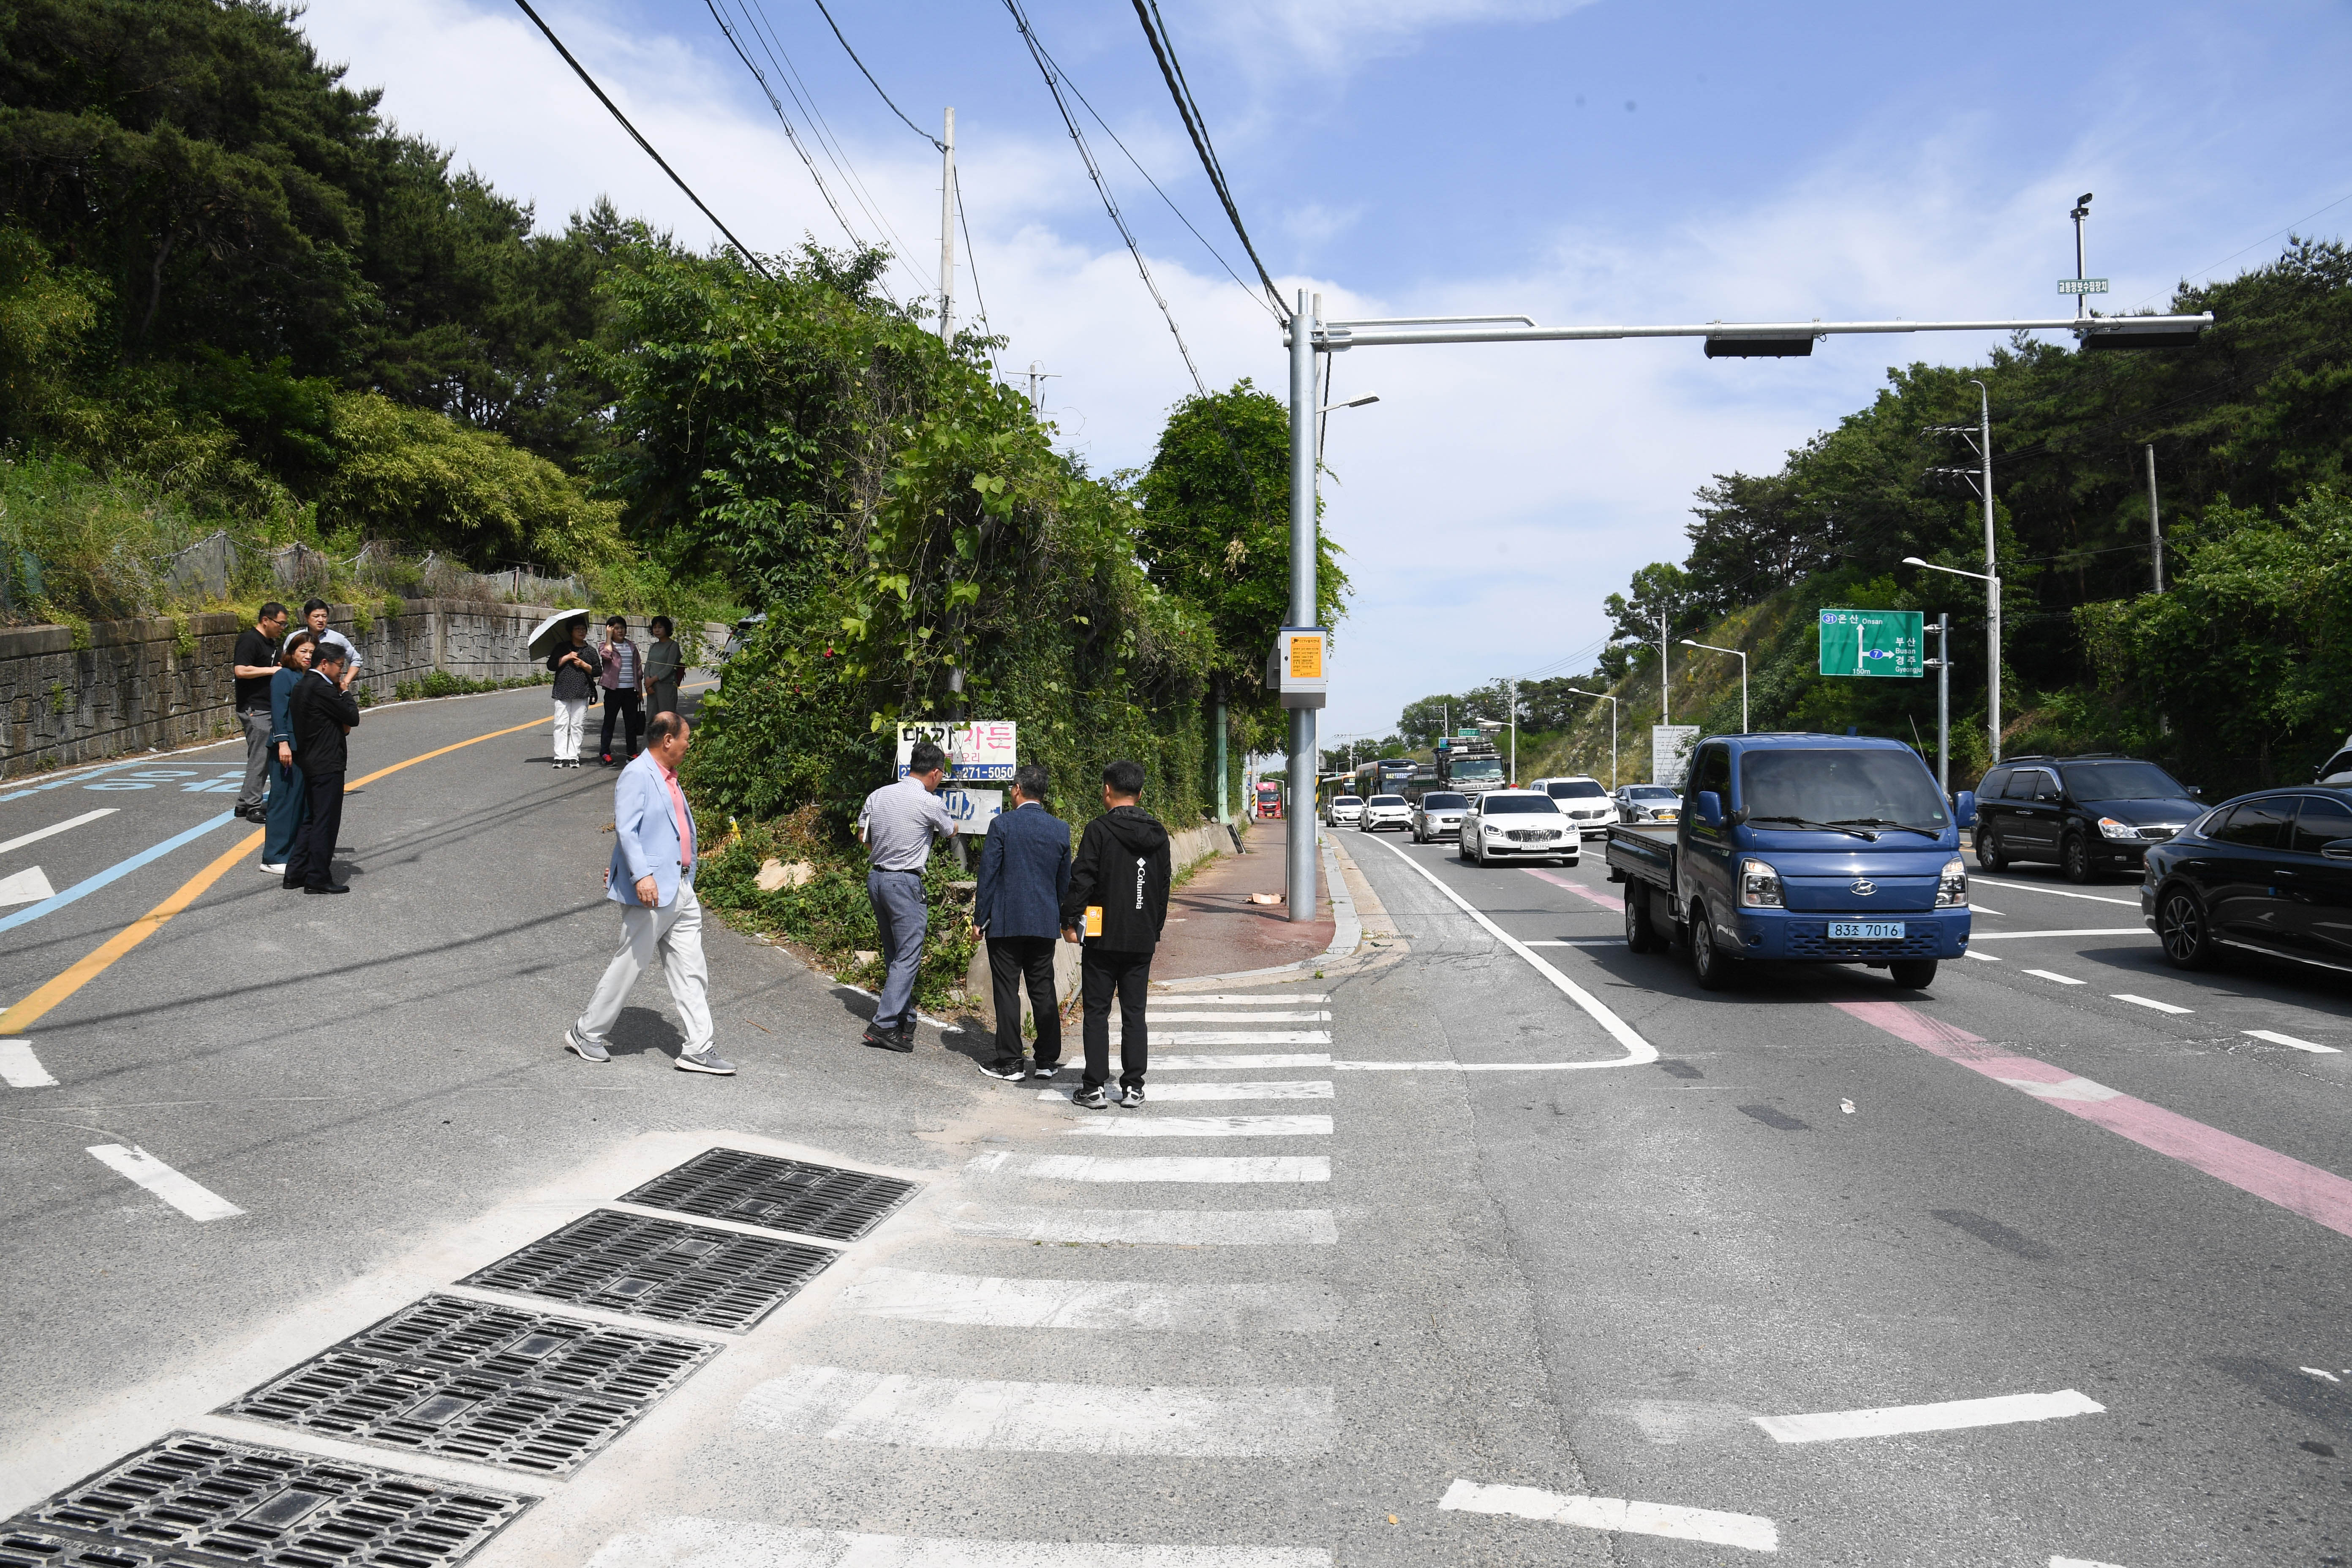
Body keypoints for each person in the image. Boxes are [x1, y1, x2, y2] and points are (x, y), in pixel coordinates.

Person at [566, 712, 735, 1075]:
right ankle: (586, 1032)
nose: (689, 744)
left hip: (682, 887)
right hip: (654, 890)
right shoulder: (638, 774)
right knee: (631, 962)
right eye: (686, 737)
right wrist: (641, 876)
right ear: (668, 739)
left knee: (692, 969)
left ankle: (698, 1047)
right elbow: (627, 831)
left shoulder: (670, 777)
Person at [1060, 759, 1171, 1110]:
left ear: (1107, 790)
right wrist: (1154, 928)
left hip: (1100, 931)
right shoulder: (1158, 834)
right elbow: (1162, 885)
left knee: (1096, 1011)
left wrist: (1068, 921)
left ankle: (1093, 1088)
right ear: (1140, 793)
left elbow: (1083, 880)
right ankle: (1134, 1087)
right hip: (1141, 936)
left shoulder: (1099, 830)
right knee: (1134, 1012)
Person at [973, 763, 1072, 1082]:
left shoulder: (1002, 825)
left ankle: (1011, 1062)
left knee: (1007, 990)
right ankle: (1045, 1061)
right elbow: (1064, 881)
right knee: (1042, 988)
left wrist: (979, 919)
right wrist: (1061, 918)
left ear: (1016, 789)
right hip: (1044, 922)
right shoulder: (1060, 829)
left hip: (1005, 922)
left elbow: (988, 876)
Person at [854, 740, 954, 1052]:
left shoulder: (878, 795)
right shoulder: (930, 802)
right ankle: (883, 1025)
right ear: (936, 773)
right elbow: (951, 831)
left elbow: (862, 837)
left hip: (877, 879)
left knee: (894, 953)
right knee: (908, 955)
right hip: (905, 883)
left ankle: (903, 1017)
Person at [286, 642, 361, 895]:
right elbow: (352, 718)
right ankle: (317, 877)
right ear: (325, 664)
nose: (342, 672)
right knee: (325, 822)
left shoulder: (302, 685)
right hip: (327, 762)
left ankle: (296, 872)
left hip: (310, 759)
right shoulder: (323, 688)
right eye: (340, 666)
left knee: (311, 819)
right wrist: (344, 690)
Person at [260, 632, 314, 876]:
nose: (307, 656)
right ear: (291, 653)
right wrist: (282, 743)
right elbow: (279, 711)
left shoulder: (306, 677)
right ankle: (273, 856)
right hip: (286, 748)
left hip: (304, 747)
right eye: (303, 651)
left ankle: (292, 852)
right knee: (282, 801)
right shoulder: (284, 676)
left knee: (299, 802)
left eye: (312, 652)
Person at [232, 602, 289, 822]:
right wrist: (272, 670)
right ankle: (253, 807)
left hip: (268, 706)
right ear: (266, 620)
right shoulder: (250, 640)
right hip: (254, 708)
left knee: (264, 756)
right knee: (261, 757)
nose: (282, 628)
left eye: (285, 625)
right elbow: (241, 670)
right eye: (280, 624)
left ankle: (243, 803)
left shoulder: (271, 643)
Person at [547, 618, 601, 769]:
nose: (582, 631)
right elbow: (551, 666)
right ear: (571, 632)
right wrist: (568, 657)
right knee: (560, 724)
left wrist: (584, 665)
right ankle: (559, 757)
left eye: (584, 629)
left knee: (578, 725)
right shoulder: (562, 648)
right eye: (578, 629)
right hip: (562, 691)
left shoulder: (590, 651)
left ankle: (574, 756)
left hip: (582, 691)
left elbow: (597, 671)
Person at [596, 615, 643, 765]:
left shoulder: (631, 646)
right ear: (610, 630)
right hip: (613, 690)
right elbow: (606, 656)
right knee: (609, 722)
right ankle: (605, 753)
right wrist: (608, 637)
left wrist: (640, 691)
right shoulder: (605, 645)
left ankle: (632, 753)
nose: (621, 631)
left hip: (630, 690)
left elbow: (638, 669)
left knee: (631, 723)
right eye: (616, 628)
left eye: (622, 628)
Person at [286, 599, 360, 690]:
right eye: (316, 616)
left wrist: (345, 682)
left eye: (324, 616)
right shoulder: (295, 638)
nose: (321, 620)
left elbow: (356, 659)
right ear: (306, 617)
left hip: (328, 689)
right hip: (300, 688)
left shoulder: (338, 638)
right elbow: (287, 662)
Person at [643, 616, 683, 720]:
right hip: (652, 687)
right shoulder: (653, 646)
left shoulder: (673, 646)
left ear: (667, 628)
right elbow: (648, 665)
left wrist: (652, 680)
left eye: (660, 627)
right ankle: (651, 737)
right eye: (655, 627)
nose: (657, 630)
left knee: (667, 717)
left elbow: (669, 668)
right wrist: (647, 681)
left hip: (666, 686)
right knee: (652, 717)